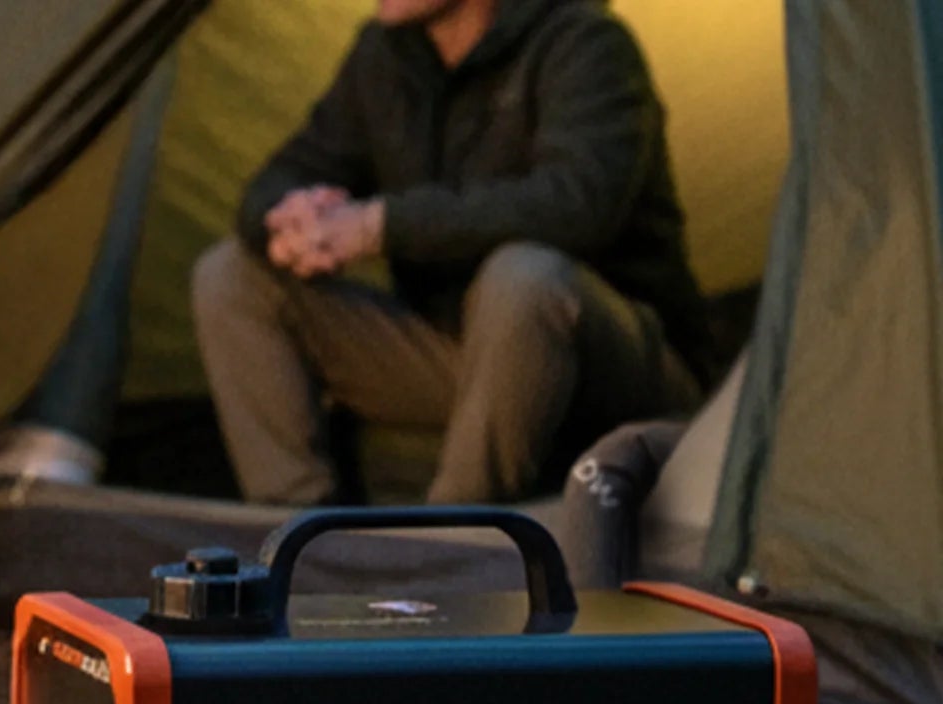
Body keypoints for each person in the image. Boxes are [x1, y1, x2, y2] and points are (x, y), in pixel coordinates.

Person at [191, 0, 711, 508]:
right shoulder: (385, 56)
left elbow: (578, 204)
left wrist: (379, 226)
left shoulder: (584, 42)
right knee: (232, 274)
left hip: (611, 360)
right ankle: (299, 537)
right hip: (459, 354)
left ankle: (451, 541)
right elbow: (285, 173)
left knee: (523, 278)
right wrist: (290, 219)